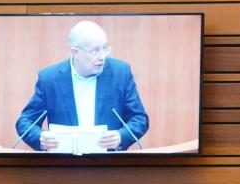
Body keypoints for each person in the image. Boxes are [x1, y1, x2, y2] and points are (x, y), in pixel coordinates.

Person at [15, 20, 148, 152]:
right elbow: (25, 122)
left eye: (105, 48)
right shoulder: (50, 79)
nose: (102, 57)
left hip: (109, 165)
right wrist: (41, 137)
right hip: (63, 167)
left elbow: (140, 119)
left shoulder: (120, 73)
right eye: (95, 51)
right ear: (75, 52)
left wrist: (121, 136)